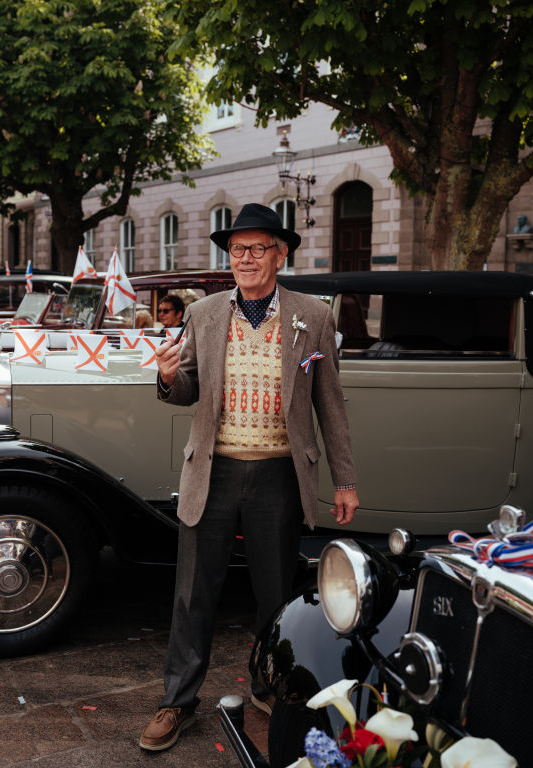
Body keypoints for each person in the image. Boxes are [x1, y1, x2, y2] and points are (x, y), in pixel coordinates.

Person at [140, 203, 359, 752]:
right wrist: (168, 378)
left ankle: (269, 687)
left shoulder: (313, 315)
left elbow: (330, 406)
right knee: (193, 594)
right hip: (212, 471)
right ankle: (177, 701)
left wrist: (345, 480)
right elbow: (189, 388)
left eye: (258, 248)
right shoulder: (206, 313)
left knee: (275, 593)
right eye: (238, 249)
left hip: (279, 474)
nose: (246, 258)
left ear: (280, 254)